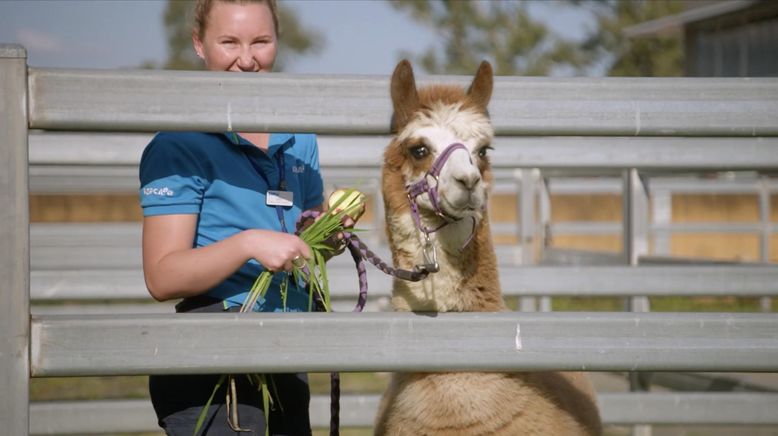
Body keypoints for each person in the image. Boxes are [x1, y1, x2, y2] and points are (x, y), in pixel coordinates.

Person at [138, 0, 321, 434]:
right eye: (228, 42)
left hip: (288, 354)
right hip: (214, 369)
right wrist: (249, 244)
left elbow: (311, 248)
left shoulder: (301, 137)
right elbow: (162, 277)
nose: (246, 59)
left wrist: (330, 232)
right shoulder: (178, 145)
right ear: (200, 44)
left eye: (261, 42)